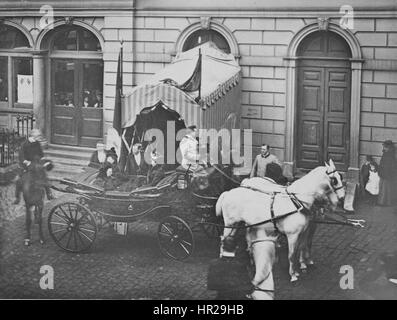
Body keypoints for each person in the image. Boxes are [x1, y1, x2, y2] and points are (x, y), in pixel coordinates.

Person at [14, 129, 54, 204]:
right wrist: (27, 163)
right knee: (18, 181)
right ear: (33, 136)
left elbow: (41, 154)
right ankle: (17, 197)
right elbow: (22, 157)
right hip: (27, 165)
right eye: (38, 135)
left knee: (44, 176)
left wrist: (43, 161)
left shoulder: (37, 143)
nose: (40, 137)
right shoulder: (24, 144)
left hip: (36, 163)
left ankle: (49, 193)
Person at [377, 140, 397, 206]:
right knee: (383, 188)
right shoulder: (386, 154)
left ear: (388, 147)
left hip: (387, 174)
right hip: (384, 174)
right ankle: (385, 202)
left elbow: (391, 166)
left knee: (385, 188)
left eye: (385, 147)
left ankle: (382, 202)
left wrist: (385, 172)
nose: (383, 148)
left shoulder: (390, 155)